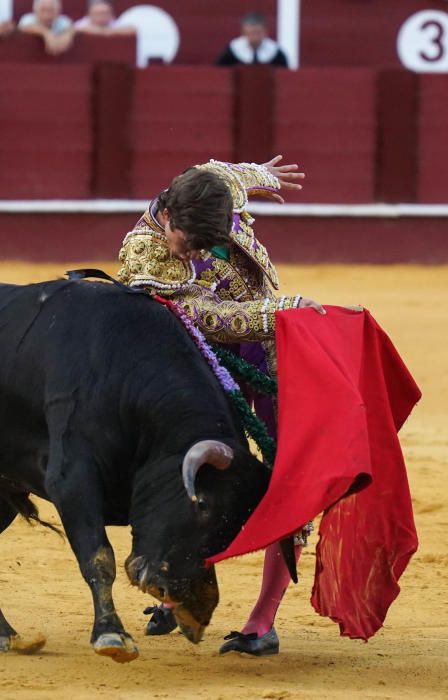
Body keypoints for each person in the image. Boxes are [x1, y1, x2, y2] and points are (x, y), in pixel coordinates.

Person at [117, 156, 326, 656]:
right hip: (196, 364)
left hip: (268, 349)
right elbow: (200, 315)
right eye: (192, 243)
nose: (200, 251)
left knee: (286, 470)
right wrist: (279, 310)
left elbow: (237, 171)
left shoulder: (214, 187)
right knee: (197, 476)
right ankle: (179, 587)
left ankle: (262, 621)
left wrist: (266, 176)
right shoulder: (144, 255)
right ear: (168, 218)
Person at [217, 12, 288, 67]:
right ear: (244, 32)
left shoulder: (276, 53)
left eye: (257, 32)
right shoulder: (231, 51)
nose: (254, 36)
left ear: (265, 32)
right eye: (250, 33)